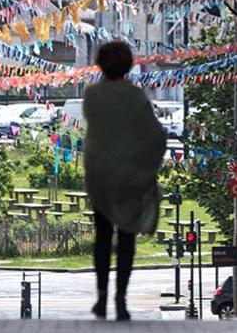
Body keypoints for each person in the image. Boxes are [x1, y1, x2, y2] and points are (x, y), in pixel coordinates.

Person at [83, 41, 167, 321]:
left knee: (103, 237)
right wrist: (147, 166)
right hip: (129, 177)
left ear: (100, 65)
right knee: (126, 237)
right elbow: (156, 135)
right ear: (129, 64)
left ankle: (101, 297)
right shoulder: (135, 97)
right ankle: (121, 299)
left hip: (100, 176)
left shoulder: (92, 96)